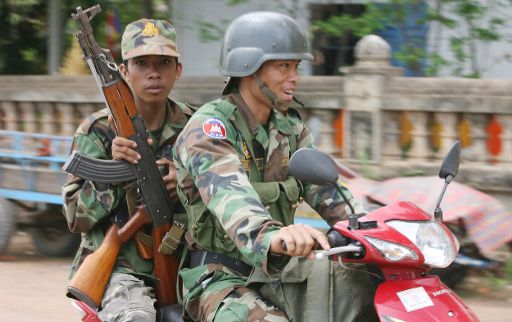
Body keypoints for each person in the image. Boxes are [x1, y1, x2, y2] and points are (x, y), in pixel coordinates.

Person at [173, 11, 377, 322]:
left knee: (367, 295)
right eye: (283, 66)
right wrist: (273, 236)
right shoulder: (210, 129)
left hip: (280, 274)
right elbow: (231, 198)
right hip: (221, 279)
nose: (294, 77)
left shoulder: (291, 128)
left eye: (296, 66)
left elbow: (329, 192)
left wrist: (372, 228)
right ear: (248, 68)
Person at [62, 18, 194, 322]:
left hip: (185, 261)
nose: (153, 73)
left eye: (163, 63)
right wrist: (113, 173)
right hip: (117, 267)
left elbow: (221, 195)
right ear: (124, 71)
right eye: (142, 63)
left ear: (178, 70)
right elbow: (73, 216)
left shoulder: (194, 126)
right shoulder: (98, 131)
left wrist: (185, 183)